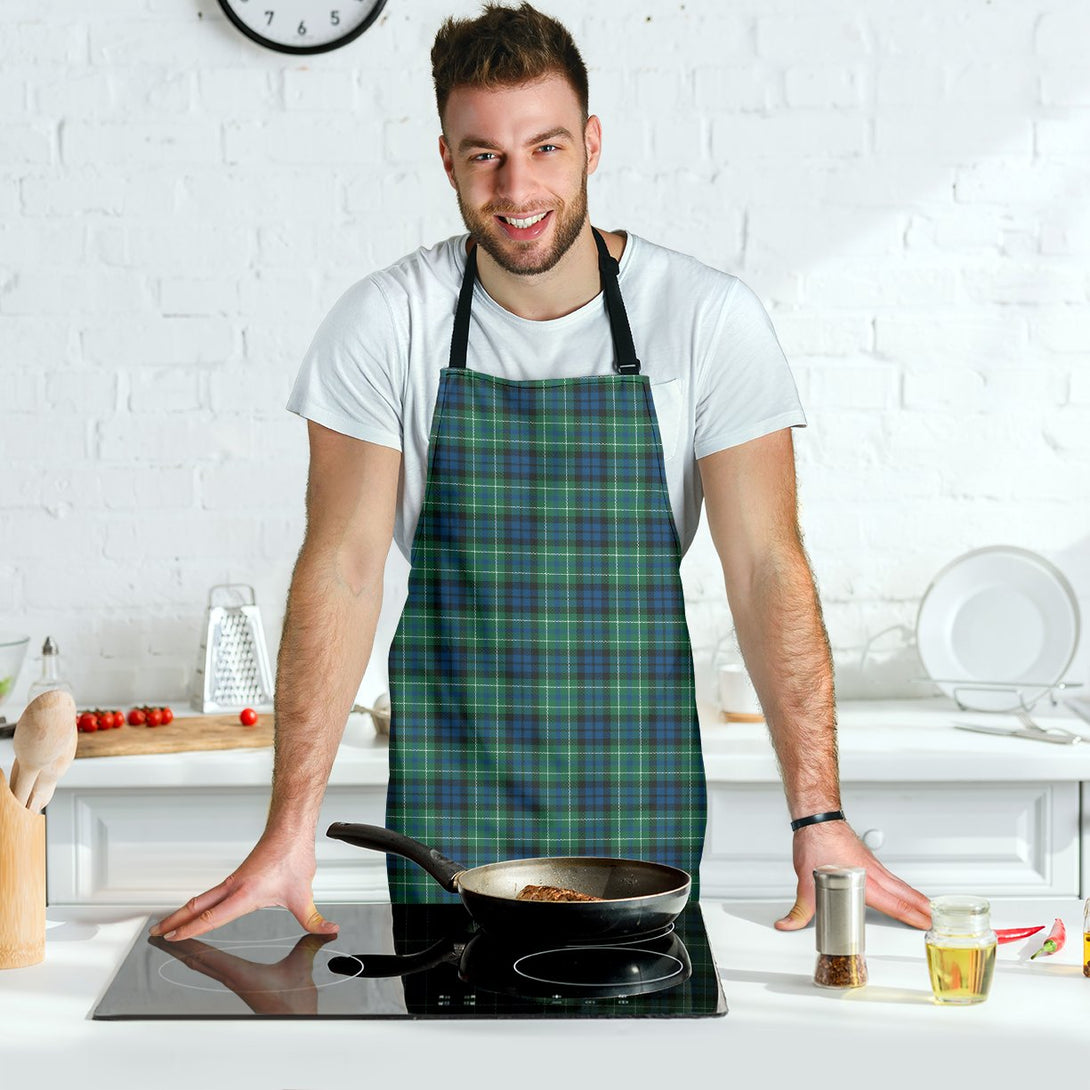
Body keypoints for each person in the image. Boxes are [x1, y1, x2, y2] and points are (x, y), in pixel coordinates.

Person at [152, 2, 931, 941]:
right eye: (484, 153)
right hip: (450, 807)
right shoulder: (385, 322)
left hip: (639, 806)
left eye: (546, 147)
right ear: (446, 158)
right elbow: (343, 570)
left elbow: (768, 566)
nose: (517, 186)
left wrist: (819, 814)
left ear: (592, 144)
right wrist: (289, 829)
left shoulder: (706, 319)